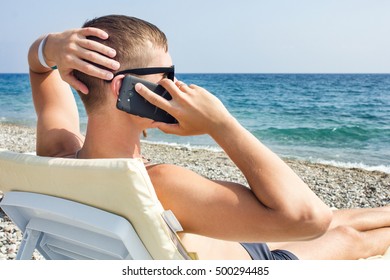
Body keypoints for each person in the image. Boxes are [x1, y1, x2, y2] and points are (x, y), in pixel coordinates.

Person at [28, 15, 390, 260]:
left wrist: (50, 46)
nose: (175, 84)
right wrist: (221, 123)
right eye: (166, 74)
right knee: (346, 235)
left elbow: (37, 66)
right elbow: (311, 218)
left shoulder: (57, 153)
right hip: (258, 263)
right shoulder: (160, 182)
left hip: (223, 235)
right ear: (128, 89)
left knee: (346, 216)